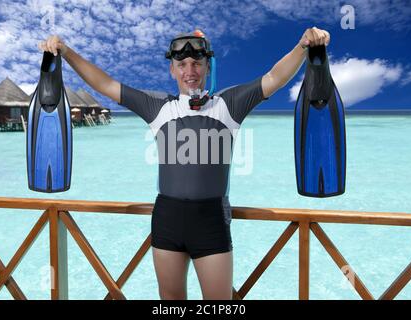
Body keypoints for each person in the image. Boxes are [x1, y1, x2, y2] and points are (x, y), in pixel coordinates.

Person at [39, 27, 330, 300]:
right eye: (182, 65)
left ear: (207, 67)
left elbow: (274, 78)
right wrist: (67, 52)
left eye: (197, 64)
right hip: (167, 220)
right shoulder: (158, 107)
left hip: (211, 221)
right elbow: (105, 84)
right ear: (172, 69)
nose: (190, 71)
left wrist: (302, 47)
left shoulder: (229, 104)